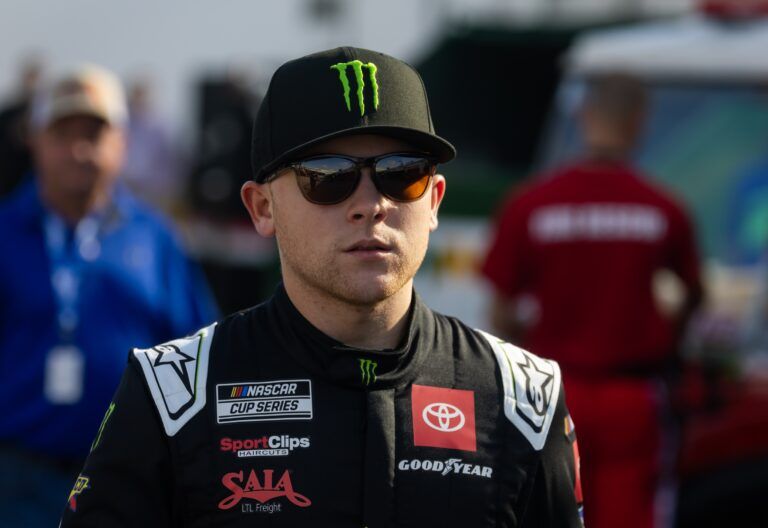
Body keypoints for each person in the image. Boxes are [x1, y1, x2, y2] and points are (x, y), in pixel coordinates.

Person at [60, 47, 583, 527]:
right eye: (327, 175)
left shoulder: (522, 396)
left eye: (402, 174)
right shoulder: (173, 393)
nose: (370, 203)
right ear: (262, 208)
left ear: (435, 201)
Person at [481, 73, 704, 528]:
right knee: (632, 514)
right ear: (639, 122)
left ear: (583, 117)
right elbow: (694, 295)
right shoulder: (663, 207)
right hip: (634, 398)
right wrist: (665, 334)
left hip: (550, 394)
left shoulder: (531, 204)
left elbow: (500, 311)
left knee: (547, 510)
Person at [0, 64, 218, 527]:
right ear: (34, 139)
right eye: (63, 134)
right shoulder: (2, 233)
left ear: (121, 142)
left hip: (131, 480)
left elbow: (197, 352)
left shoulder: (156, 238)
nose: (79, 150)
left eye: (94, 134)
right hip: (17, 480)